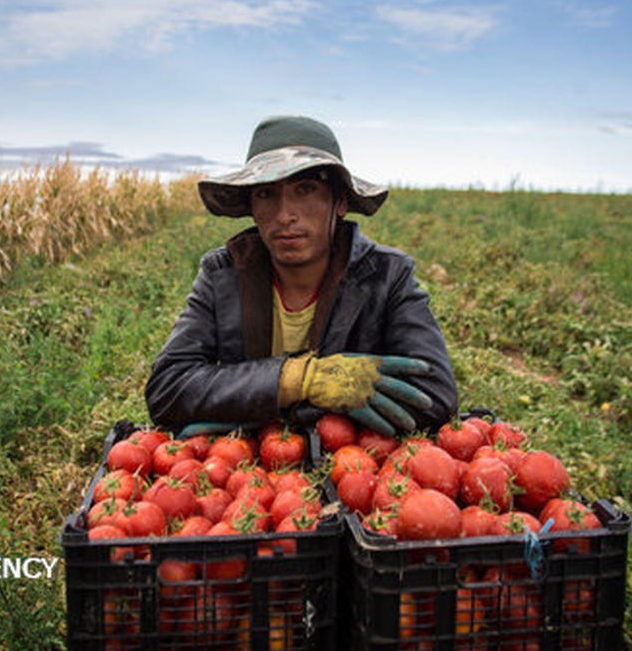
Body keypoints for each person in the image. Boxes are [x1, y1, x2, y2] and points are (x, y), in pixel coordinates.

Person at [145, 115, 457, 438]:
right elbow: (168, 388)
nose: (284, 215)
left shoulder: (388, 276)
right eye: (266, 194)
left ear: (340, 201)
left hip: (349, 465)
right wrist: (299, 379)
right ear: (252, 206)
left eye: (305, 190)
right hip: (248, 469)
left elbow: (436, 396)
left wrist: (267, 407)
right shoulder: (222, 275)